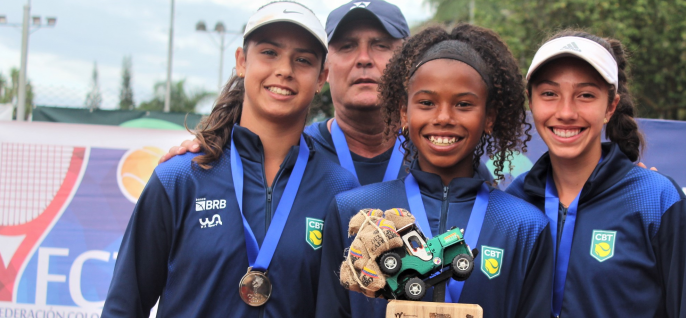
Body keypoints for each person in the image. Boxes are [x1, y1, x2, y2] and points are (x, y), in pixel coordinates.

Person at [86, 2, 359, 318]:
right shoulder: (182, 178)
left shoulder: (340, 190)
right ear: (241, 62)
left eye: (302, 60)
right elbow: (123, 314)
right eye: (269, 52)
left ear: (321, 77)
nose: (284, 69)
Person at [313, 24, 553, 318]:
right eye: (426, 103)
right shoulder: (354, 211)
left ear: (489, 116)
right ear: (403, 112)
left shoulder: (524, 226)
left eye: (463, 104)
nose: (443, 117)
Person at [505, 30, 686, 318]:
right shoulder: (514, 204)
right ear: (531, 102)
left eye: (586, 95)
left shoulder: (655, 200)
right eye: (549, 94)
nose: (566, 112)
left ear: (610, 106)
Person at [160, 0, 493, 184]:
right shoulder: (290, 155)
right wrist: (209, 145)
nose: (364, 58)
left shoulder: (445, 155)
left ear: (409, 63)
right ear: (325, 69)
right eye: (347, 46)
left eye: (380, 45)